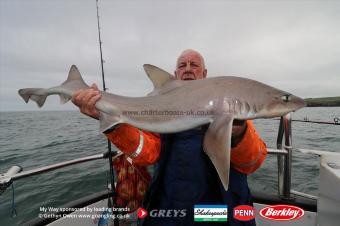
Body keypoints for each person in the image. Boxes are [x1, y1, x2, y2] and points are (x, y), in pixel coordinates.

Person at [72, 49, 267, 226]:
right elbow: (146, 153)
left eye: (194, 65)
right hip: (170, 212)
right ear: (175, 75)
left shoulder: (231, 110)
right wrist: (111, 122)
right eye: (182, 65)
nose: (188, 69)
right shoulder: (158, 112)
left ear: (205, 74)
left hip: (215, 212)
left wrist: (238, 133)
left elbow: (252, 163)